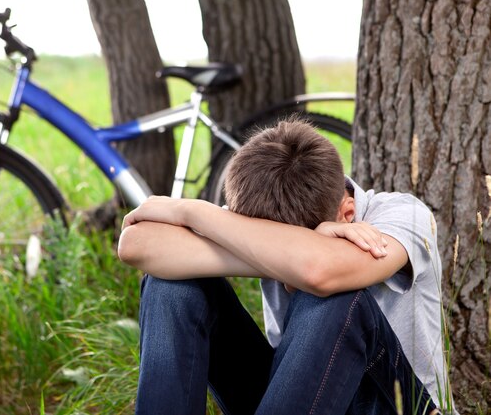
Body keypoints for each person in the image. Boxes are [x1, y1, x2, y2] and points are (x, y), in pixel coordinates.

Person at [118, 119, 452, 415]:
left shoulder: (403, 216)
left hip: (383, 404)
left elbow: (320, 273)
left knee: (332, 297)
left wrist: (285, 257)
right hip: (297, 398)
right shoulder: (260, 206)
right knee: (172, 286)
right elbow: (136, 244)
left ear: (346, 213)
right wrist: (198, 213)